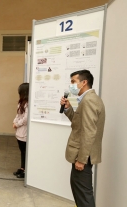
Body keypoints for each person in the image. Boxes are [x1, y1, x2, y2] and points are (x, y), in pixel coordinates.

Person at [60, 69, 105, 207]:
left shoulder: (89, 101)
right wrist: (68, 109)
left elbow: (89, 132)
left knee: (84, 196)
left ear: (84, 82)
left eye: (73, 81)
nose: (71, 85)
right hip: (82, 155)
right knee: (80, 192)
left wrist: (81, 159)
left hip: (83, 156)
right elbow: (79, 125)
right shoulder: (87, 99)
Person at [12, 83, 29, 178]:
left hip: (24, 130)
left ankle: (26, 170)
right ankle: (22, 168)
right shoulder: (21, 102)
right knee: (22, 151)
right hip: (19, 131)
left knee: (25, 151)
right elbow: (18, 115)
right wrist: (14, 122)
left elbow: (26, 118)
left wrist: (17, 124)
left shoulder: (28, 103)